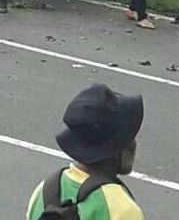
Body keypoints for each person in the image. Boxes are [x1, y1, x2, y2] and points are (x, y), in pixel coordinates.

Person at [25, 84, 145, 220]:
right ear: (116, 150)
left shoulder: (43, 192)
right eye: (129, 137)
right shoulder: (122, 210)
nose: (134, 143)